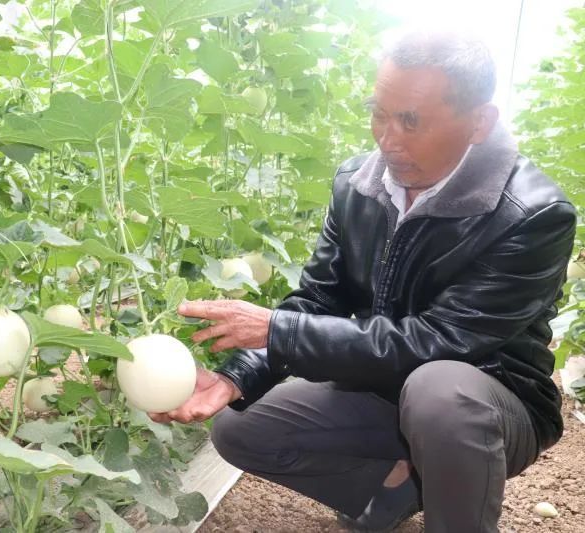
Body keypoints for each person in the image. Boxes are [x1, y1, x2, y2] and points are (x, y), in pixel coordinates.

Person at [148, 31, 577, 533]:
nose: (387, 138)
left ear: (479, 122)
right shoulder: (357, 185)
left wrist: (277, 329)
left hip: (487, 406)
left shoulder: (533, 214)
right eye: (380, 113)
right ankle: (401, 490)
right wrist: (235, 375)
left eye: (411, 121)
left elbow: (442, 342)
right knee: (242, 428)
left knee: (439, 391)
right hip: (384, 385)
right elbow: (319, 299)